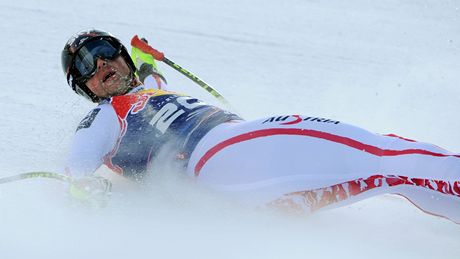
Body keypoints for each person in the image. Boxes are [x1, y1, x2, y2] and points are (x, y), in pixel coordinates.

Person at [61, 29, 460, 223]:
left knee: (384, 175)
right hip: (223, 150)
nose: (100, 65)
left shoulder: (145, 91)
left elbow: (148, 78)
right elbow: (76, 167)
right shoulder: (103, 117)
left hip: (238, 190)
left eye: (104, 52)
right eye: (86, 67)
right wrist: (83, 186)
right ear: (84, 88)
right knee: (382, 152)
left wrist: (140, 55)